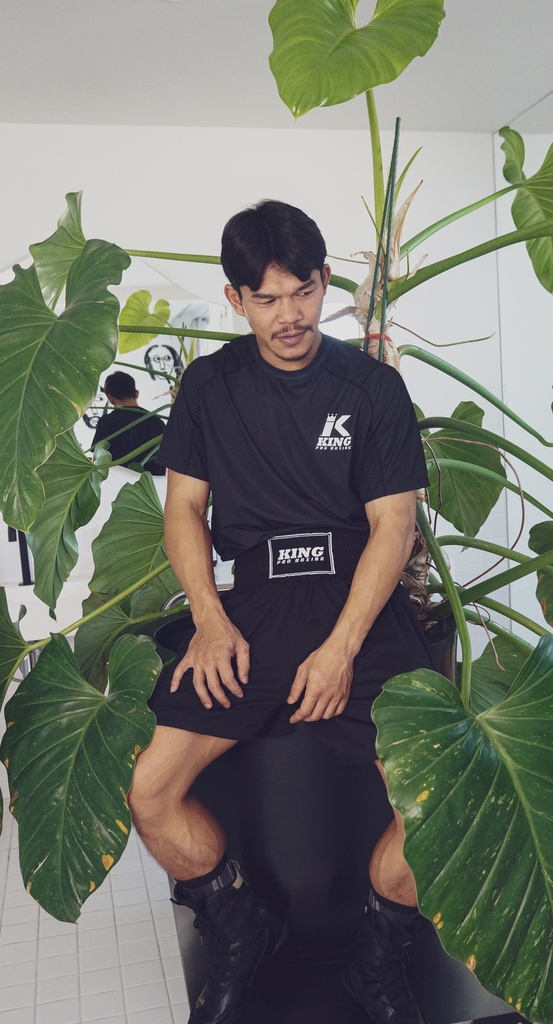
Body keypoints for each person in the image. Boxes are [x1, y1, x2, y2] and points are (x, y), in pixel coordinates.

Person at [128, 200, 434, 1024]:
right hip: (251, 608)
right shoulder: (210, 386)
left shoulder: (370, 387)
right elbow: (183, 509)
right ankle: (238, 925)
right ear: (236, 299)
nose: (288, 315)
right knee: (151, 790)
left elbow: (392, 526)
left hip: (358, 603)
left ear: (325, 281)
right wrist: (209, 619)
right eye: (265, 299)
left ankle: (377, 955)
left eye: (302, 292)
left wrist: (340, 649)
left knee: (433, 806)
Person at [92, 370, 166, 475]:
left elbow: (97, 461)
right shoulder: (158, 422)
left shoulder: (107, 422)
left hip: (116, 484)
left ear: (110, 399)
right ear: (137, 393)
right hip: (153, 483)